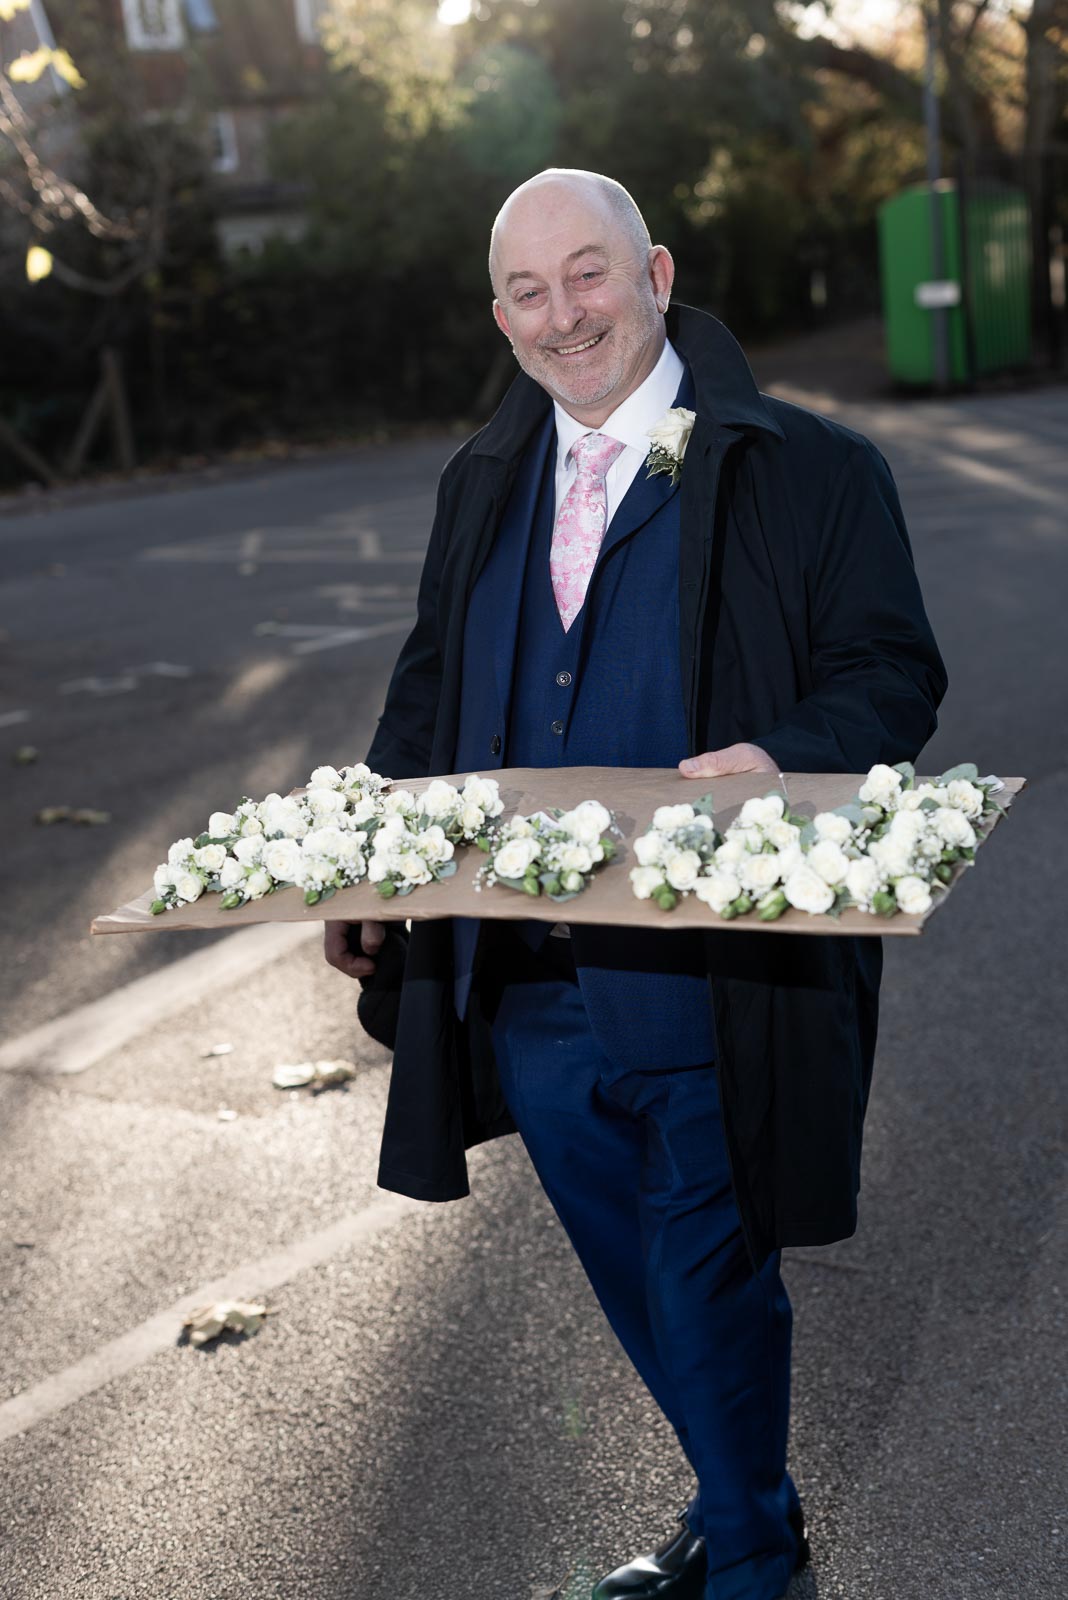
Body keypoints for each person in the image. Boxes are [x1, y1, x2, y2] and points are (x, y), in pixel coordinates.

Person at [325, 168, 947, 1600]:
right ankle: (746, 1500)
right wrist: (369, 850)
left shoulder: (811, 467)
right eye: (530, 292)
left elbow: (891, 674)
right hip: (527, 984)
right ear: (500, 315)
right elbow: (430, 691)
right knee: (630, 1266)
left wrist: (787, 755)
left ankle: (747, 1561)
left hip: (711, 969)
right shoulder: (480, 482)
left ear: (657, 274)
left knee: (708, 1270)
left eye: (589, 274)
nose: (564, 315)